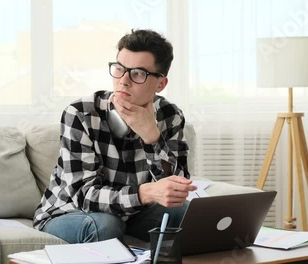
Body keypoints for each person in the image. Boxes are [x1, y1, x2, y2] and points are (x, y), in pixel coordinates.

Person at [33, 29, 196, 243]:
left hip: (134, 214)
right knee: (107, 225)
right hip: (70, 212)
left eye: (138, 73)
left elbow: (176, 186)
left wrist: (152, 137)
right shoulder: (80, 114)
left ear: (160, 84)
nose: (124, 81)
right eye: (119, 69)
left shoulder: (170, 115)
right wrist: (144, 194)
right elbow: (85, 196)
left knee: (186, 213)